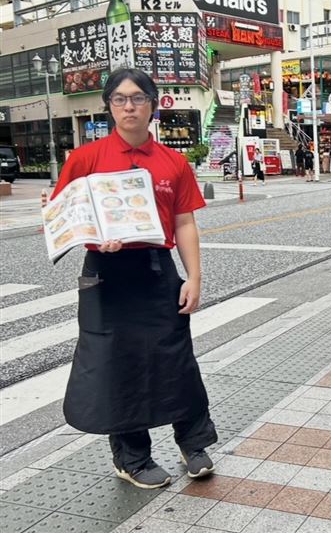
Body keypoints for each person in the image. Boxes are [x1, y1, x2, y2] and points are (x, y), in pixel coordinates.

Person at [52, 68, 217, 489]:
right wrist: (92, 235)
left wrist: (194, 278)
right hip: (107, 275)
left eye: (138, 98)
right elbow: (63, 219)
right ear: (109, 106)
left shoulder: (172, 162)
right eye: (121, 99)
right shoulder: (85, 158)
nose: (130, 106)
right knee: (117, 365)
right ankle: (132, 458)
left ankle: (193, 443)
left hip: (158, 269)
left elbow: (184, 222)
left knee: (176, 358)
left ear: (152, 105)